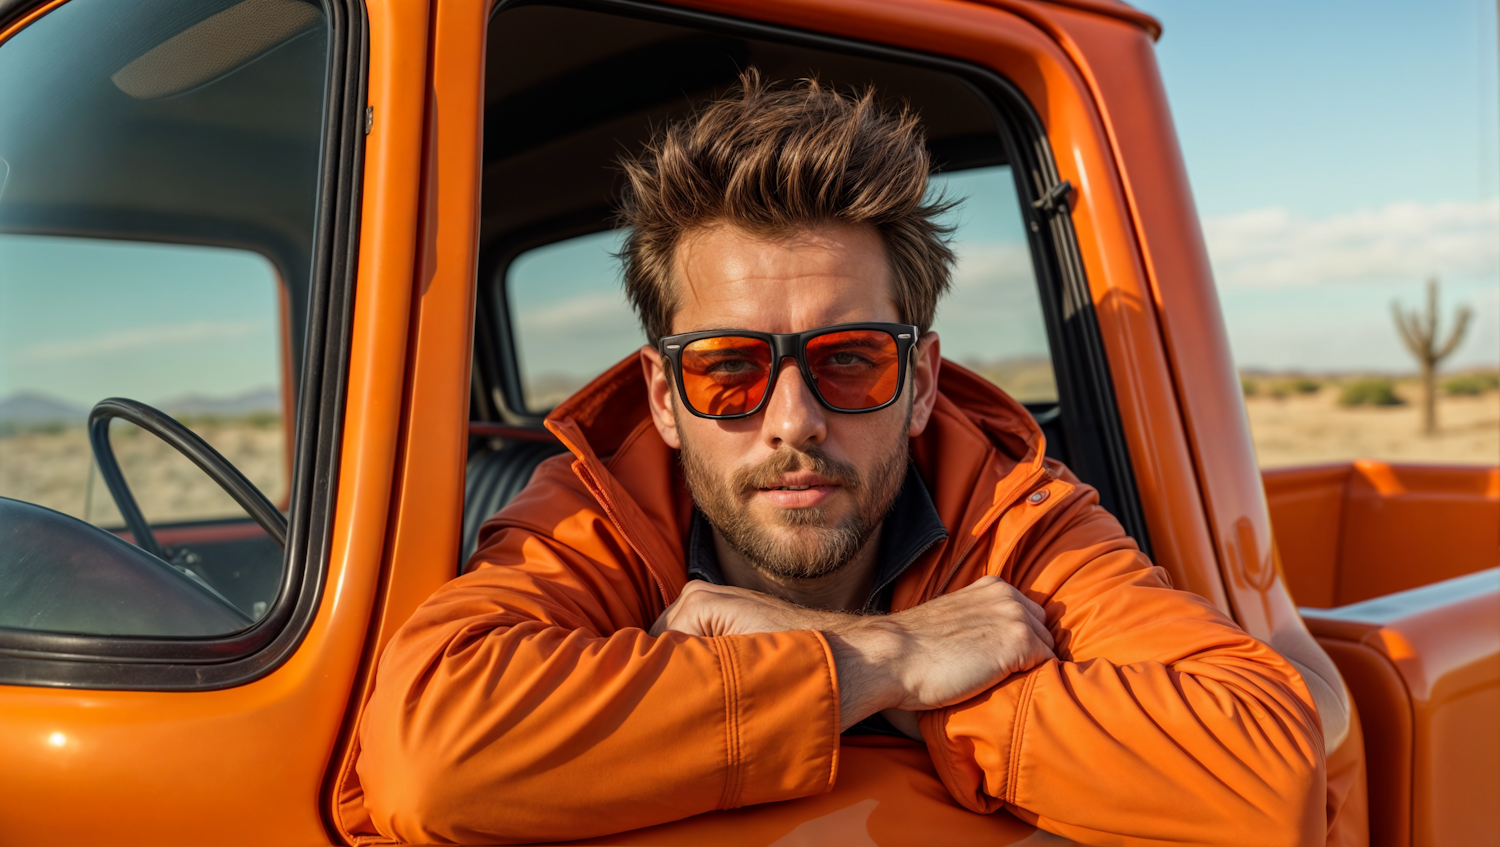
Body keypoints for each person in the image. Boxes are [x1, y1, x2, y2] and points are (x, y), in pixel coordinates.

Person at [353, 72, 1330, 845]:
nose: (793, 421)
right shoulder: (599, 513)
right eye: (730, 368)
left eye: (852, 361)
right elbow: (429, 754)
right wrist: (883, 660)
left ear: (919, 384)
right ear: (661, 394)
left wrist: (855, 686)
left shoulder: (1017, 519)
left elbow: (1265, 766)